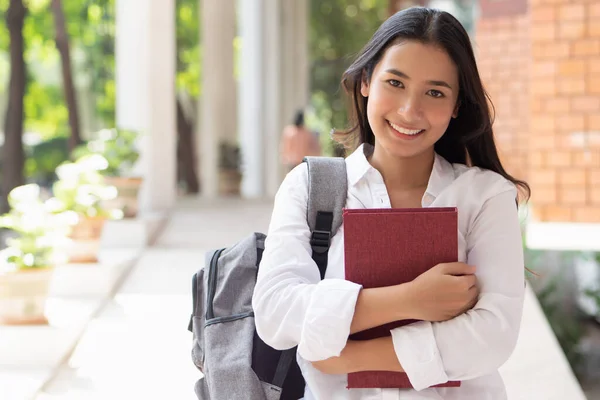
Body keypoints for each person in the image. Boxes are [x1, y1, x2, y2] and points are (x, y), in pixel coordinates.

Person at [254, 7, 529, 400]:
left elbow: (492, 337)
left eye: (435, 92)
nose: (409, 110)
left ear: (455, 106)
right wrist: (411, 299)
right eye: (395, 83)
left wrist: (349, 356)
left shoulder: (485, 197)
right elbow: (275, 312)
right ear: (366, 81)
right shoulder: (310, 187)